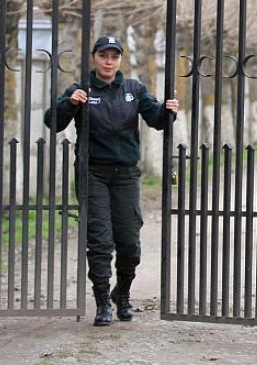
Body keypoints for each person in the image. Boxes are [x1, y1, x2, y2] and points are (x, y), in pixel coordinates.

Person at [44, 36, 179, 327]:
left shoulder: (133, 89)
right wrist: (69, 103)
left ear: (120, 60)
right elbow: (52, 122)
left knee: (129, 242)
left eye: (114, 56)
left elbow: (156, 119)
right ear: (94, 57)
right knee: (100, 242)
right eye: (103, 55)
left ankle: (123, 293)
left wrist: (168, 110)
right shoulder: (81, 89)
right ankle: (103, 301)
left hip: (126, 175)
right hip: (93, 173)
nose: (108, 61)